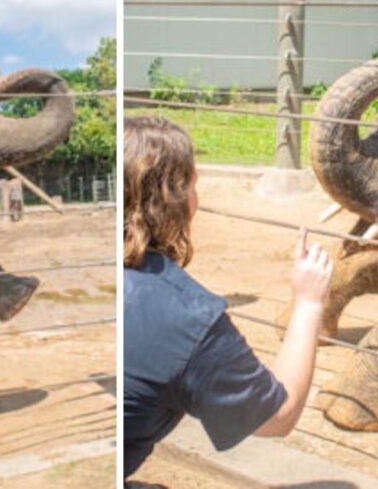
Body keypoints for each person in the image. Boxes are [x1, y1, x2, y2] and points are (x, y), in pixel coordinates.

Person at [123, 116, 334, 486]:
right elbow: (278, 417)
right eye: (193, 185)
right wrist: (309, 303)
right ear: (178, 198)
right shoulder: (187, 317)